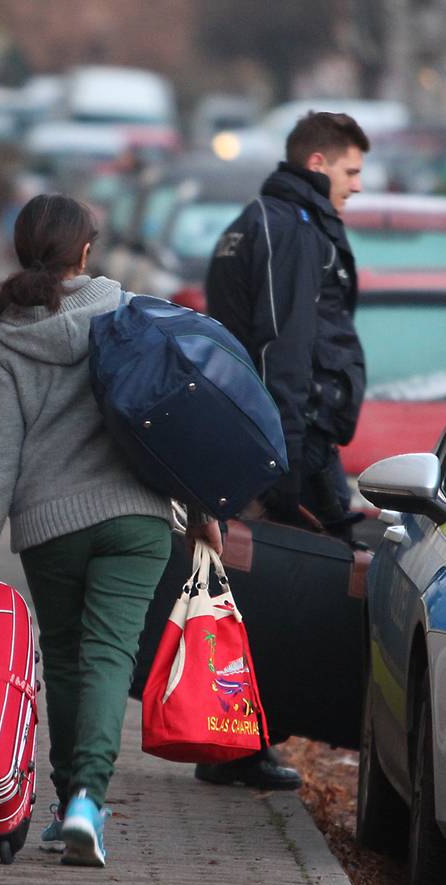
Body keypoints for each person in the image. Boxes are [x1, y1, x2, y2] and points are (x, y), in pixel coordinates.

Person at [0, 194, 221, 867]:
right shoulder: (126, 312)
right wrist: (203, 508)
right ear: (84, 251)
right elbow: (174, 423)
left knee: (66, 660)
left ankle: (68, 797)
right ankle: (85, 805)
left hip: (50, 526)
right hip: (135, 520)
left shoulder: (10, 332)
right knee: (107, 658)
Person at [199, 110, 370, 791]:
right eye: (353, 171)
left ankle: (242, 744)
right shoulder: (289, 231)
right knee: (292, 595)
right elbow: (283, 348)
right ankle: (241, 747)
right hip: (286, 442)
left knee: (261, 593)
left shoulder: (263, 223)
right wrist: (289, 459)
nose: (358, 187)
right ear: (320, 164)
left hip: (276, 437)